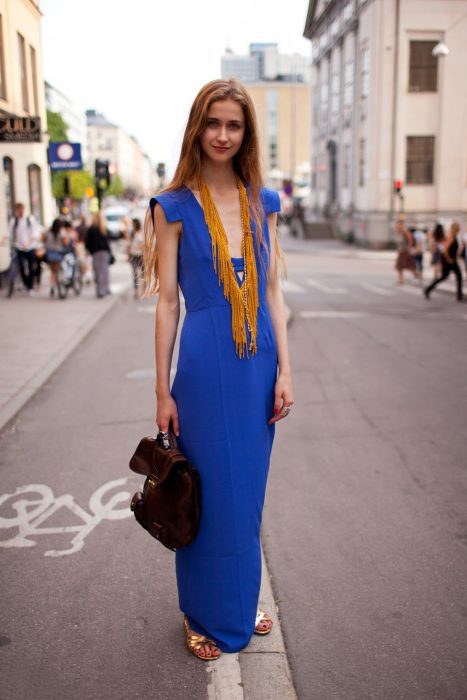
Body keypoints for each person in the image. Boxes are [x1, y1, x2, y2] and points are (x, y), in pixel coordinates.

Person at [143, 78, 293, 661]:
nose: (223, 135)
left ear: (246, 132)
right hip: (204, 369)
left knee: (246, 495)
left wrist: (286, 369)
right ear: (197, 129)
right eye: (214, 123)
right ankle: (200, 611)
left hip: (257, 366)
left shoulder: (265, 201)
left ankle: (237, 601)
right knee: (204, 494)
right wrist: (162, 390)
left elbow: (274, 289)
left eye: (234, 125)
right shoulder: (173, 206)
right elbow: (166, 303)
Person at [424, 222, 464, 301]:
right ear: (456, 228)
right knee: (447, 276)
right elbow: (444, 250)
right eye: (458, 228)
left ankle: (459, 296)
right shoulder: (451, 237)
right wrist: (449, 259)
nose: (459, 229)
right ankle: (428, 289)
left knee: (455, 276)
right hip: (448, 260)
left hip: (451, 260)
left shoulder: (452, 236)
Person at [9, 202, 41, 295]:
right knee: (21, 265)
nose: (20, 211)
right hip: (19, 247)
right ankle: (26, 283)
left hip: (30, 247)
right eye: (18, 210)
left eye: (21, 209)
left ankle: (30, 287)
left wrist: (29, 242)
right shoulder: (14, 221)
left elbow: (35, 233)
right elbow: (9, 232)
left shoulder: (29, 219)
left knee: (31, 267)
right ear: (16, 210)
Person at [85, 211, 112, 297]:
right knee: (105, 271)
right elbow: (108, 242)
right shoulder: (104, 228)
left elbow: (87, 242)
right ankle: (105, 289)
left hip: (96, 252)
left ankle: (100, 290)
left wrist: (89, 250)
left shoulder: (91, 229)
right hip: (105, 252)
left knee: (98, 271)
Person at [44, 218, 66, 297]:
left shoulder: (48, 232)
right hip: (58, 254)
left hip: (50, 254)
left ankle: (52, 286)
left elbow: (43, 240)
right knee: (59, 270)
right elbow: (65, 243)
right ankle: (60, 285)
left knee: (52, 272)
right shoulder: (61, 232)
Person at [127, 218, 144, 299]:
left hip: (141, 255)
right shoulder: (131, 233)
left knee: (143, 273)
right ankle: (136, 292)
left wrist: (138, 246)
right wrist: (128, 254)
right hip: (134, 255)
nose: (132, 225)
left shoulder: (141, 233)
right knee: (135, 274)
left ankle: (144, 290)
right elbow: (129, 244)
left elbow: (144, 244)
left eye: (133, 223)